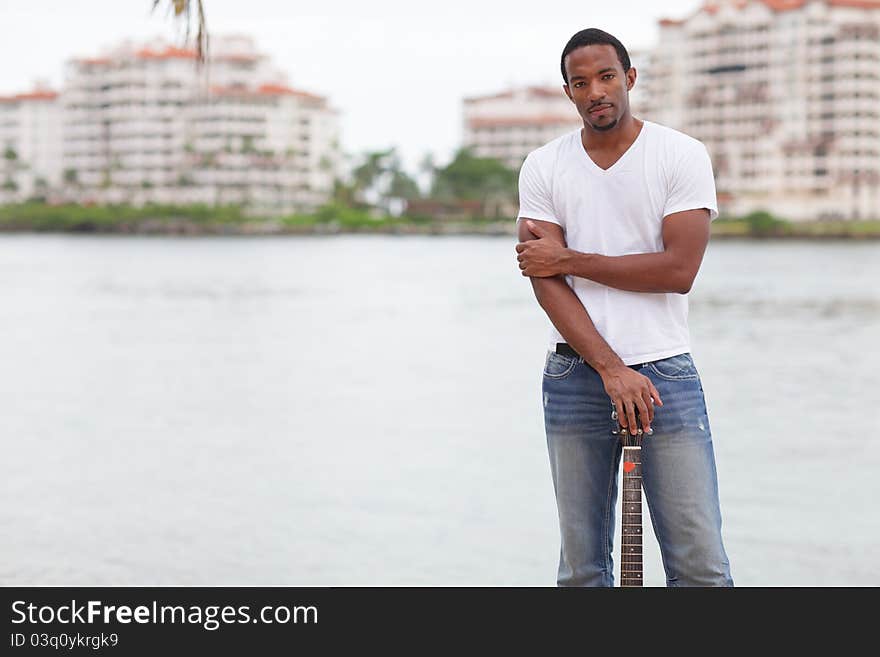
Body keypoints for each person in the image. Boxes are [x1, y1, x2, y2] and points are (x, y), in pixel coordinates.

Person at [515, 28, 733, 587]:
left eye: (606, 77)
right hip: (573, 373)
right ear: (568, 92)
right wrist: (611, 369)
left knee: (700, 568)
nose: (596, 92)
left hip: (666, 370)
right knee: (582, 572)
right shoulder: (544, 166)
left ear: (630, 78)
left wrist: (568, 257)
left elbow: (677, 270)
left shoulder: (680, 154)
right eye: (581, 83)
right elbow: (544, 279)